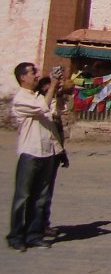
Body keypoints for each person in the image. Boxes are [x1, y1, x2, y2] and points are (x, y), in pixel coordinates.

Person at [6, 62, 65, 251]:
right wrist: (53, 84)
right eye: (33, 73)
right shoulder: (21, 99)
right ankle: (16, 235)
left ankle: (34, 234)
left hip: (47, 151)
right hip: (30, 152)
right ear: (23, 77)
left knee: (40, 197)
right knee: (23, 197)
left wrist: (56, 91)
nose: (37, 76)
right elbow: (41, 108)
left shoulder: (39, 95)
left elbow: (53, 113)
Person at [34, 76, 70, 238]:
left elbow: (65, 109)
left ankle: (43, 223)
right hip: (41, 150)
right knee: (39, 190)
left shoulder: (55, 101)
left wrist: (61, 94)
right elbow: (46, 111)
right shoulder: (38, 103)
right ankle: (34, 226)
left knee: (47, 189)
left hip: (55, 145)